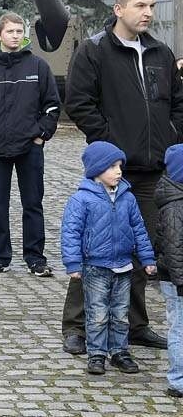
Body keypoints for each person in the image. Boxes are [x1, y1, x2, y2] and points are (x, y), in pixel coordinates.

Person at [64, 0, 181, 354]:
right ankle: (79, 326)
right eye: (140, 6)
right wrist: (108, 144)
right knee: (97, 246)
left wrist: (173, 138)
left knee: (141, 248)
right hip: (111, 170)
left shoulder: (162, 53)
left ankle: (134, 324)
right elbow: (79, 102)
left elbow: (177, 102)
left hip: (152, 170)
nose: (148, 12)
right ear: (119, 9)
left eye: (151, 6)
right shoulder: (95, 51)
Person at [0, 12, 60, 277]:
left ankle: (35, 258)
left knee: (33, 204)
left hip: (29, 147)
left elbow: (52, 105)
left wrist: (42, 133)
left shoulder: (38, 67)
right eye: (10, 32)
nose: (16, 36)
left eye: (20, 32)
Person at [61, 141, 156, 375]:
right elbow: (70, 232)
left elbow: (139, 230)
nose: (118, 171)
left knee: (121, 314)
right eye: (112, 166)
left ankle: (120, 352)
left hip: (123, 265)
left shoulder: (128, 197)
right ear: (96, 170)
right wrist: (73, 263)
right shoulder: (81, 200)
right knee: (98, 314)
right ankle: (96, 354)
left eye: (120, 166)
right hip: (95, 267)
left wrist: (147, 259)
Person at [155, 144, 183, 397]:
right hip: (177, 281)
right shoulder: (175, 206)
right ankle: (178, 380)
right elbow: (174, 249)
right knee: (179, 328)